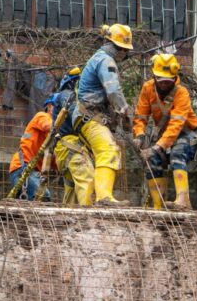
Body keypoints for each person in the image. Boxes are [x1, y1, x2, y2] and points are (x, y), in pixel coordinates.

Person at [72, 24, 133, 205]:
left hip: (86, 116)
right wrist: (124, 112)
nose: (125, 55)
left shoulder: (98, 58)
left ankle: (100, 198)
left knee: (103, 152)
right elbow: (113, 90)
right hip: (90, 116)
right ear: (117, 47)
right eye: (124, 50)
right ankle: (104, 198)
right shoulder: (106, 60)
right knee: (108, 150)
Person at [133, 54, 197, 209]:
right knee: (152, 161)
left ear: (175, 77)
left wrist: (157, 147)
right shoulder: (148, 88)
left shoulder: (181, 93)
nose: (164, 84)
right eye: (161, 80)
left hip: (187, 132)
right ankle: (159, 205)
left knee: (178, 152)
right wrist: (139, 136)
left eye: (168, 80)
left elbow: (176, 126)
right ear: (154, 76)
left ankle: (182, 201)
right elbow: (140, 116)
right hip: (166, 135)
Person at [49, 67, 95, 206]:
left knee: (73, 192)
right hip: (72, 148)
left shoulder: (70, 96)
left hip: (68, 150)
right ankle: (90, 218)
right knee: (87, 179)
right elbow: (75, 114)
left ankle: (67, 221)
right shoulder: (67, 95)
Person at [8, 104, 54, 201]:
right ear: (49, 107)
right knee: (43, 196)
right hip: (22, 167)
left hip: (31, 171)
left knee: (41, 199)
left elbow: (56, 162)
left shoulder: (52, 137)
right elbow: (47, 126)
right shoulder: (42, 116)